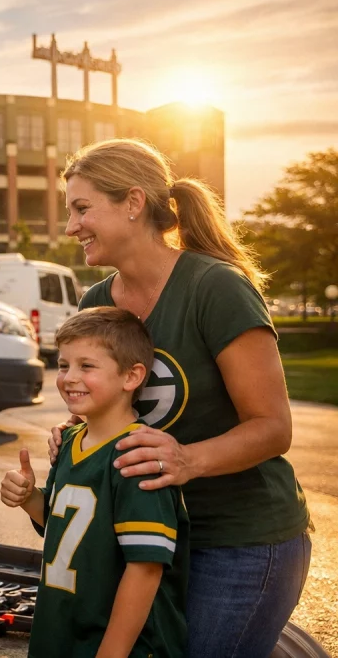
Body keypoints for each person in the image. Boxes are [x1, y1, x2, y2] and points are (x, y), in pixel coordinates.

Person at [48, 138, 311, 658]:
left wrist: (186, 459)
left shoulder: (216, 287)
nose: (71, 227)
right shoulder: (97, 300)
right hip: (149, 536)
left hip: (240, 540)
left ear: (132, 202)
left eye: (82, 209)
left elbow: (273, 427)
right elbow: (114, 408)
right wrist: (77, 434)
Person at [3, 307, 188, 657]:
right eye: (63, 365)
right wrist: (28, 498)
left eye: (86, 366)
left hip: (116, 645)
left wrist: (111, 653)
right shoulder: (70, 441)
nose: (70, 377)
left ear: (131, 376)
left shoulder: (139, 457)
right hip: (61, 633)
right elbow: (66, 526)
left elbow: (145, 568)